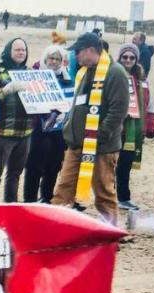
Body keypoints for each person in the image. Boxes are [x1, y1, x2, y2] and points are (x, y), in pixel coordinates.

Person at [50, 33, 129, 227]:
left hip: (102, 147)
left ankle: (111, 234)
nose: (75, 56)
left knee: (104, 193)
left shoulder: (115, 72)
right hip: (76, 144)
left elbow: (118, 111)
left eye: (78, 52)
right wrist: (70, 129)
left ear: (90, 50)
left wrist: (98, 136)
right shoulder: (84, 72)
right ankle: (54, 227)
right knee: (63, 189)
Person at [0, 38, 31, 202]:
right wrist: (5, 90)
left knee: (15, 174)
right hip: (2, 132)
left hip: (25, 132)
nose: (20, 53)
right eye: (17, 49)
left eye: (23, 50)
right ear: (9, 51)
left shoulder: (30, 73)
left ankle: (10, 206)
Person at [23, 45, 71, 203]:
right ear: (45, 59)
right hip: (38, 128)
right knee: (34, 166)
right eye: (51, 58)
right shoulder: (35, 75)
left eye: (58, 59)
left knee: (53, 166)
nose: (54, 61)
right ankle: (29, 199)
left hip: (58, 131)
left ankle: (46, 197)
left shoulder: (67, 78)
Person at [116, 43, 154, 213]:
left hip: (133, 131)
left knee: (125, 165)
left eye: (131, 57)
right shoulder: (114, 76)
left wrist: (150, 126)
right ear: (120, 58)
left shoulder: (142, 82)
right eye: (125, 57)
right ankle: (105, 198)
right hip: (115, 128)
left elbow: (149, 105)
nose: (128, 60)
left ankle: (124, 198)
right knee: (108, 166)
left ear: (136, 60)